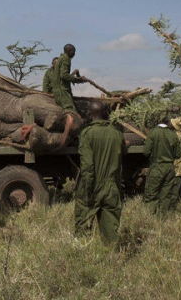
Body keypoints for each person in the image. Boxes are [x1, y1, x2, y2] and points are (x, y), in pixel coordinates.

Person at [74, 101, 126, 244]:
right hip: (112, 186)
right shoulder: (117, 134)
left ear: (89, 114)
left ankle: (82, 254)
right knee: (111, 228)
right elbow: (123, 153)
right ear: (105, 113)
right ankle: (112, 255)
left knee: (83, 224)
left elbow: (88, 166)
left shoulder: (87, 134)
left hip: (93, 184)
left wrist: (87, 188)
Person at [143, 118, 181, 213]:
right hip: (169, 168)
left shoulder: (153, 132)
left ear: (157, 121)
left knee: (151, 193)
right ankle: (163, 217)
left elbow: (146, 152)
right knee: (166, 195)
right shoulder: (173, 134)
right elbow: (178, 154)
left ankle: (150, 216)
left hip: (157, 167)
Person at [51, 43, 86, 112]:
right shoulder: (66, 59)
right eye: (73, 51)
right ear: (70, 51)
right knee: (70, 110)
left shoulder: (61, 58)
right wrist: (77, 79)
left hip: (58, 89)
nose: (74, 54)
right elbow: (63, 75)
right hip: (62, 90)